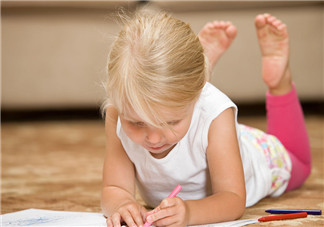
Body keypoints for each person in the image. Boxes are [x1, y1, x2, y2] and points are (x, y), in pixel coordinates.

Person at [101, 8, 311, 227]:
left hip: (255, 154)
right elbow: (114, 189)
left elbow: (233, 199)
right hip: (212, 137)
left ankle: (280, 83)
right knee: (204, 126)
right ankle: (200, 71)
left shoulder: (216, 114)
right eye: (136, 123)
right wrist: (122, 204)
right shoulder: (118, 111)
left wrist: (190, 213)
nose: (153, 139)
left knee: (300, 163)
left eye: (171, 122)